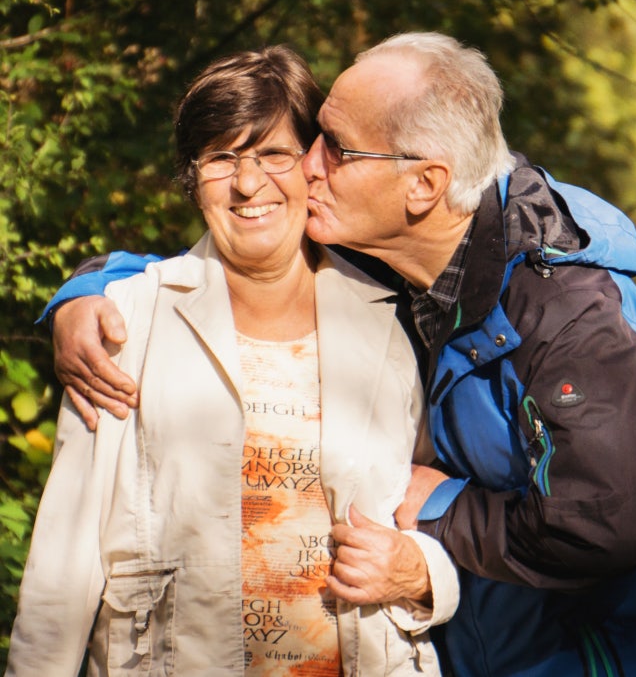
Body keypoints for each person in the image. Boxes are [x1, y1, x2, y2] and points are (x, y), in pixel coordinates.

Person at [41, 32, 636, 676]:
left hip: (627, 656)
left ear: (424, 184)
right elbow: (228, 253)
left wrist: (439, 506)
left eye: (336, 148)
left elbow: (608, 523)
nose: (306, 167)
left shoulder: (571, 317)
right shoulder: (398, 254)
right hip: (501, 645)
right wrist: (87, 289)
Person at [5, 46, 460, 677]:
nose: (248, 184)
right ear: (194, 177)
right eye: (221, 157)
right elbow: (63, 563)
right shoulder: (125, 320)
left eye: (273, 154)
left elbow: (439, 512)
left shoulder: (396, 324)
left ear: (315, 164)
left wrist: (425, 573)